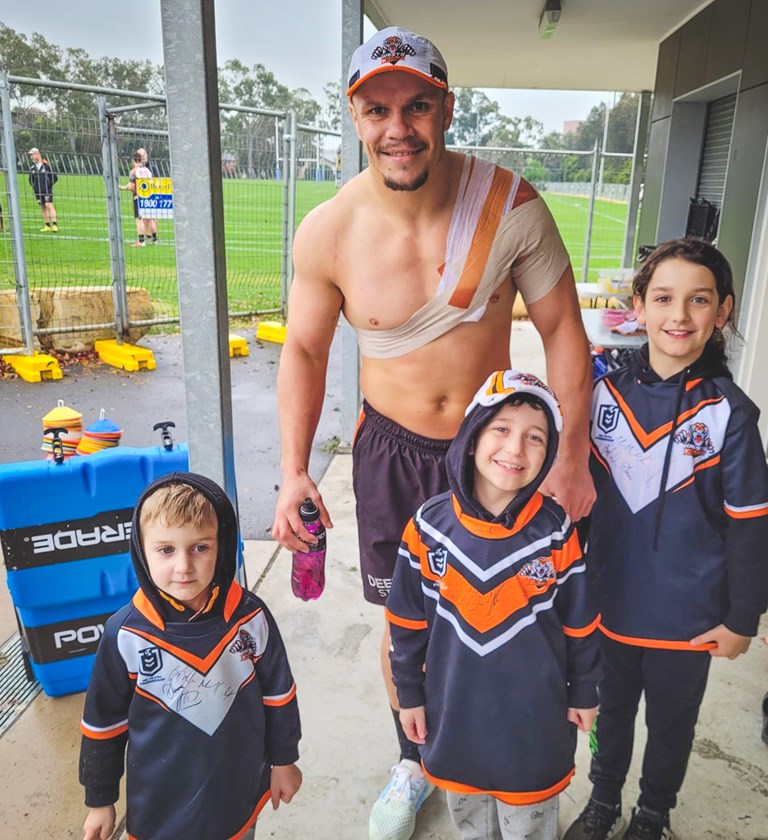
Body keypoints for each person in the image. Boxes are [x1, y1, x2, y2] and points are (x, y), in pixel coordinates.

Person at [271, 26, 594, 840]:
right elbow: (306, 349)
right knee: (407, 622)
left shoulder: (510, 205)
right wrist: (293, 470)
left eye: (417, 105)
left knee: (517, 615)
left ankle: (507, 749)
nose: (398, 127)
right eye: (377, 108)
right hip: (391, 453)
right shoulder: (329, 230)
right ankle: (415, 762)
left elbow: (563, 330)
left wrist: (573, 457)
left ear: (446, 108)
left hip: (496, 459)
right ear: (354, 116)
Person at [563, 238, 768, 840]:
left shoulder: (730, 414)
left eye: (698, 300)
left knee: (673, 724)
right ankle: (603, 802)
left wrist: (743, 619)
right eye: (663, 298)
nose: (679, 315)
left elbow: (749, 526)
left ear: (723, 312)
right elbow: (574, 509)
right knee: (609, 714)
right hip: (608, 607)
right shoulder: (603, 396)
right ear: (639, 307)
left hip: (689, 619)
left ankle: (653, 812)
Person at [387, 369, 601, 840]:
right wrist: (409, 696)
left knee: (527, 827)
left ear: (549, 455)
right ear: (471, 435)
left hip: (534, 721)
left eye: (535, 437)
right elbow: (405, 623)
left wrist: (584, 690)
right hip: (453, 713)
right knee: (470, 825)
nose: (515, 448)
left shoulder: (557, 531)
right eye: (501, 429)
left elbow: (581, 622)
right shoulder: (427, 527)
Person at [79, 473, 302, 840]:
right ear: (141, 549)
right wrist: (100, 798)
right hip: (158, 802)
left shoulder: (250, 618)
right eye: (166, 550)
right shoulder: (125, 635)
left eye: (200, 547)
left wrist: (283, 759)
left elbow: (278, 694)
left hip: (237, 788)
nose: (183, 566)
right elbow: (103, 723)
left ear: (223, 545)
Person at [119, 152, 155, 247]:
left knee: (139, 219)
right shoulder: (147, 170)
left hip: (137, 197)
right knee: (149, 218)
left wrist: (121, 187)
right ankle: (154, 239)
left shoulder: (133, 171)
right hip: (148, 196)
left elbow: (131, 186)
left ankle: (141, 241)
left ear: (133, 160)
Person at [27, 148, 58, 232]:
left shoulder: (47, 166)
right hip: (38, 192)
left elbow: (54, 178)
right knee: (43, 207)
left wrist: (48, 186)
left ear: (37, 154)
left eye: (32, 155)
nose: (31, 157)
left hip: (47, 191)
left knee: (49, 205)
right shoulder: (32, 168)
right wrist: (35, 187)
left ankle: (55, 225)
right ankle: (47, 225)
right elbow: (31, 180)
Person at [137, 147, 159, 242]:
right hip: (142, 193)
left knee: (152, 217)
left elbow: (156, 180)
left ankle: (153, 235)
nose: (142, 157)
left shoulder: (151, 167)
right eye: (140, 156)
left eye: (143, 155)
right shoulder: (138, 167)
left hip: (151, 193)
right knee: (144, 216)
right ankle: (148, 235)